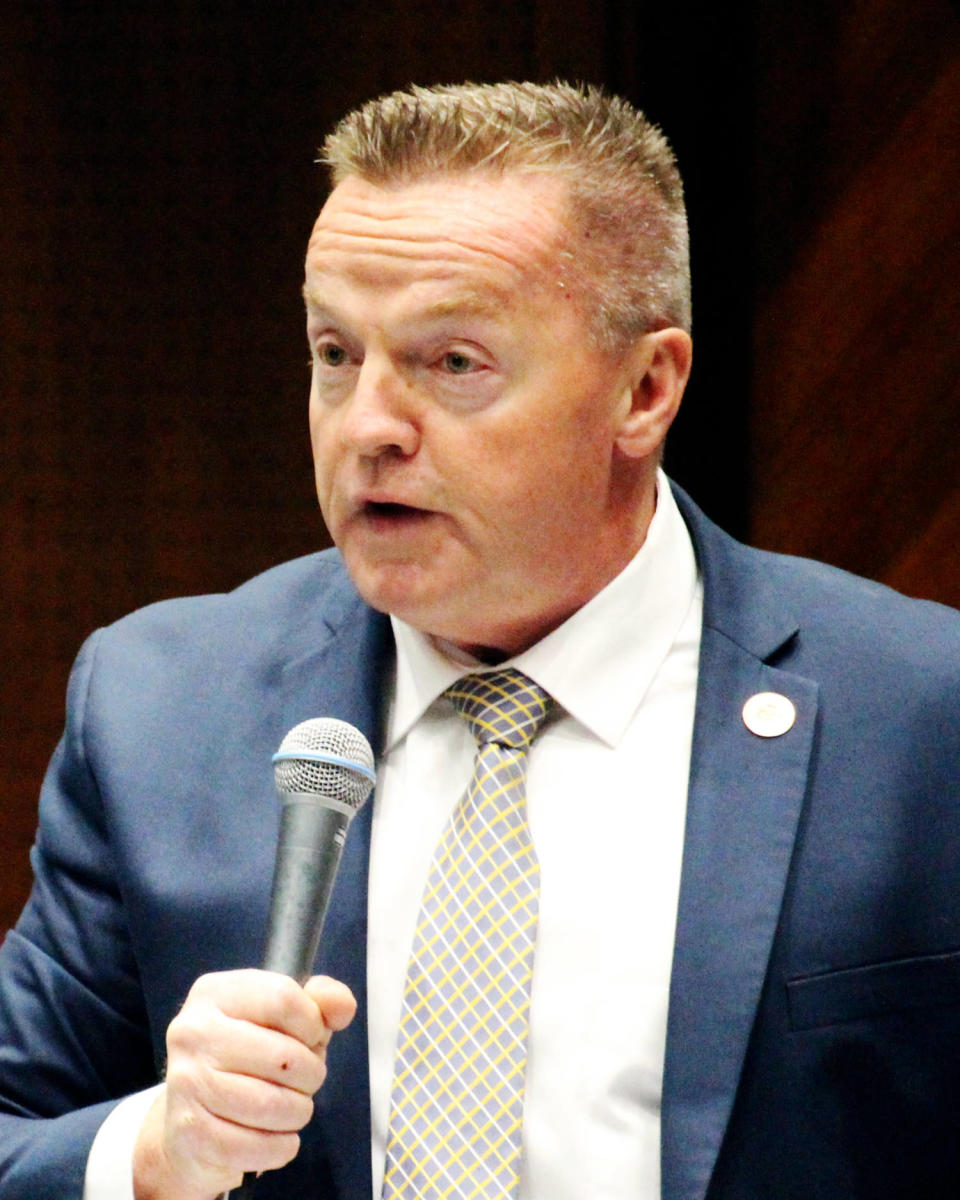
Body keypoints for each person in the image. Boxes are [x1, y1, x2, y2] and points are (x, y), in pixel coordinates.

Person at [1, 80, 959, 1200]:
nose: (368, 427)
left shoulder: (919, 716)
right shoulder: (161, 710)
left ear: (645, 390)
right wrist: (154, 1153)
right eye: (334, 353)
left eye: (454, 364)